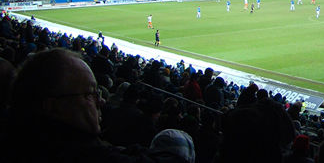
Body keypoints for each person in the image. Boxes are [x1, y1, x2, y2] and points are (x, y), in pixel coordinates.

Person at [3, 48, 186, 163]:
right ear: (52, 106)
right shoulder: (76, 154)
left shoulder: (20, 140)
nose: (101, 101)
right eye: (89, 94)